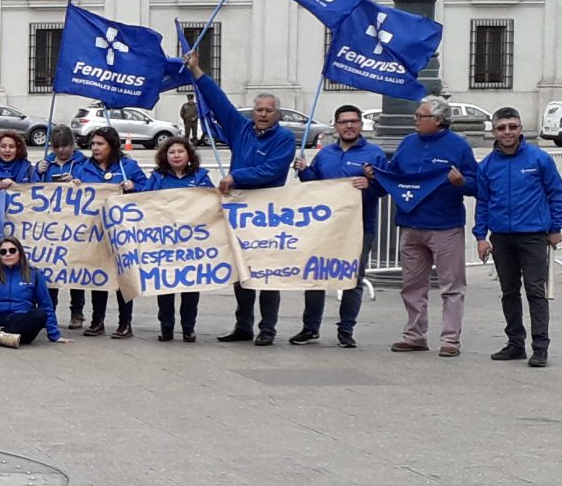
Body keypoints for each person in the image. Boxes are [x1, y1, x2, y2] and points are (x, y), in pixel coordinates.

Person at [189, 58, 296, 345]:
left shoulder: (285, 139)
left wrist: (237, 176)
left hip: (269, 212)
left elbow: (272, 171)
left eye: (268, 111)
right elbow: (219, 101)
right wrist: (197, 72)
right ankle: (244, 325)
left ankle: (268, 329)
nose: (262, 114)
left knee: (268, 273)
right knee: (242, 272)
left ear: (277, 115)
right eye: (259, 110)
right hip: (240, 211)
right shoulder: (241, 129)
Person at [385, 97, 480, 357]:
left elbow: (477, 184)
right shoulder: (407, 143)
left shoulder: (459, 146)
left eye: (420, 116)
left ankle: (450, 339)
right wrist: (377, 176)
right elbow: (393, 174)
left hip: (445, 225)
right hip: (411, 224)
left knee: (452, 285)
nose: (415, 120)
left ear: (438, 120)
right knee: (412, 285)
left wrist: (461, 182)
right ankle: (414, 335)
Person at [475, 107, 562, 368]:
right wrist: (481, 236)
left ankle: (540, 347)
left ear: (520, 129)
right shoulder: (487, 165)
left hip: (533, 235)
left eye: (512, 127)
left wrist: (555, 227)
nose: (507, 132)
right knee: (509, 292)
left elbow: (556, 193)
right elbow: (483, 202)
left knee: (536, 291)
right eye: (502, 127)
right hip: (501, 236)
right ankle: (515, 343)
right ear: (494, 131)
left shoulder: (540, 159)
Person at [294, 104, 388, 347]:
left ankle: (346, 330)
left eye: (354, 121)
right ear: (335, 126)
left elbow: (386, 189)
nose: (349, 126)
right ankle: (310, 328)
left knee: (353, 279)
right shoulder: (325, 154)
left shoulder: (375, 153)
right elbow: (315, 185)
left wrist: (371, 185)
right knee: (316, 275)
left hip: (359, 227)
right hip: (325, 227)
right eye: (344, 121)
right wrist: (304, 172)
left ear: (360, 124)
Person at [65, 127, 146, 339]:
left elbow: (148, 190)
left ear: (112, 145)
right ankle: (97, 320)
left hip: (122, 231)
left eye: (100, 144)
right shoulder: (84, 167)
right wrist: (74, 185)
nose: (95, 148)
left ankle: (124, 322)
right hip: (94, 231)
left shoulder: (128, 167)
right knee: (97, 274)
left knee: (122, 277)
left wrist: (133, 186)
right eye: (93, 144)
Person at [141, 137, 214, 342]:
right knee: (165, 285)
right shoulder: (157, 177)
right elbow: (144, 201)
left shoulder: (201, 177)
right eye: (171, 152)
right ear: (165, 156)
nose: (176, 155)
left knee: (190, 286)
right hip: (164, 241)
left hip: (191, 243)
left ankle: (188, 328)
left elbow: (211, 201)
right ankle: (166, 327)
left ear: (189, 155)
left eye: (180, 152)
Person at [0, 238, 58, 348]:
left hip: (19, 320)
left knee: (40, 314)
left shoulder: (34, 273)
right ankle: (1, 336)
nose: (8, 254)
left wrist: (54, 335)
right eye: (3, 252)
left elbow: (46, 304)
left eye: (12, 250)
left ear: (20, 252)